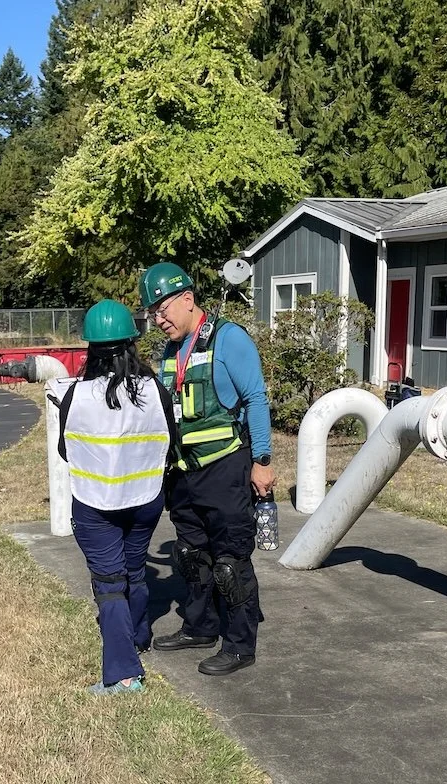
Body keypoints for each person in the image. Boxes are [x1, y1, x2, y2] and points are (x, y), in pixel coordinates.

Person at [139, 261, 275, 676]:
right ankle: (200, 627)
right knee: (191, 555)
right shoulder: (171, 350)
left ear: (187, 298)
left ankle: (239, 645)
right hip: (184, 472)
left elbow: (256, 398)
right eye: (152, 313)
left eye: (162, 309)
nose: (158, 320)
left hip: (225, 467)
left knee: (230, 562)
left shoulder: (229, 339)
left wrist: (262, 462)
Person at [57, 299, 178, 695]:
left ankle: (124, 674)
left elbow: (65, 450)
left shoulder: (76, 395)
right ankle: (138, 637)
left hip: (95, 504)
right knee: (134, 570)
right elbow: (170, 443)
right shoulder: (154, 390)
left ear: (90, 348)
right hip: (145, 499)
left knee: (110, 583)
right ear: (132, 343)